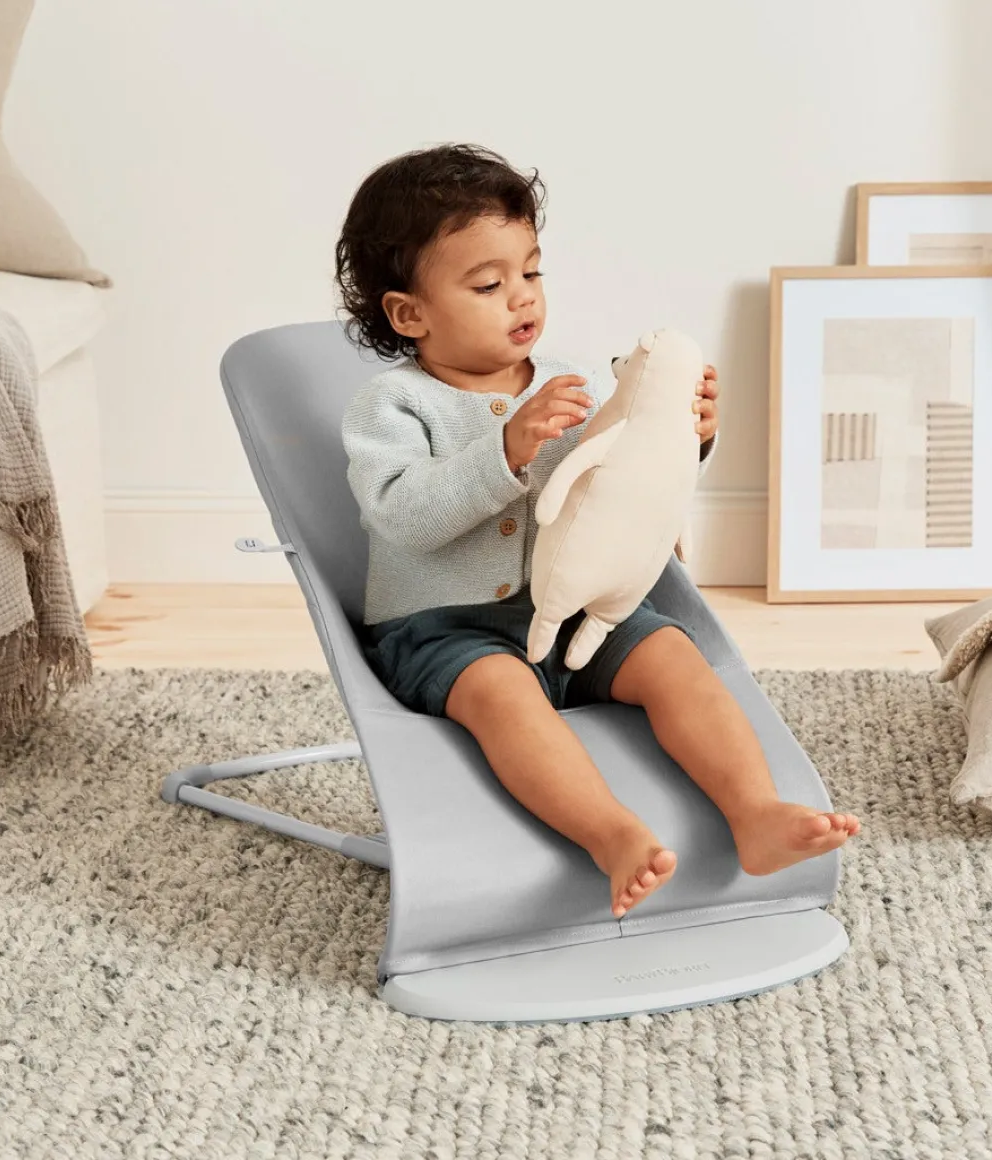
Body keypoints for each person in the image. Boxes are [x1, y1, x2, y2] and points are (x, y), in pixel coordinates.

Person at [337, 143, 858, 919]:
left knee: (674, 657)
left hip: (580, 611)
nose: (522, 297)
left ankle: (755, 813)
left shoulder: (569, 381)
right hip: (444, 628)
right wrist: (505, 450)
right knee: (504, 697)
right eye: (488, 284)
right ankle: (612, 836)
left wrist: (687, 435)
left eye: (531, 272)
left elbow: (621, 482)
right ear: (410, 313)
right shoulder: (393, 407)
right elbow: (401, 514)